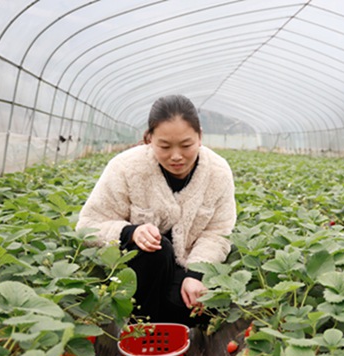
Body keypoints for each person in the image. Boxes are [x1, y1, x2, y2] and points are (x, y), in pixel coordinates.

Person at [77, 95, 237, 326]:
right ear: (149, 138)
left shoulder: (218, 172)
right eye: (164, 146)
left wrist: (195, 275)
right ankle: (142, 329)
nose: (176, 156)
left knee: (193, 308)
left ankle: (153, 329)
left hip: (184, 269)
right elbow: (89, 225)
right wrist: (129, 233)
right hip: (136, 272)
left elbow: (218, 232)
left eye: (186, 145)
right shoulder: (126, 168)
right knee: (157, 250)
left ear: (200, 137)